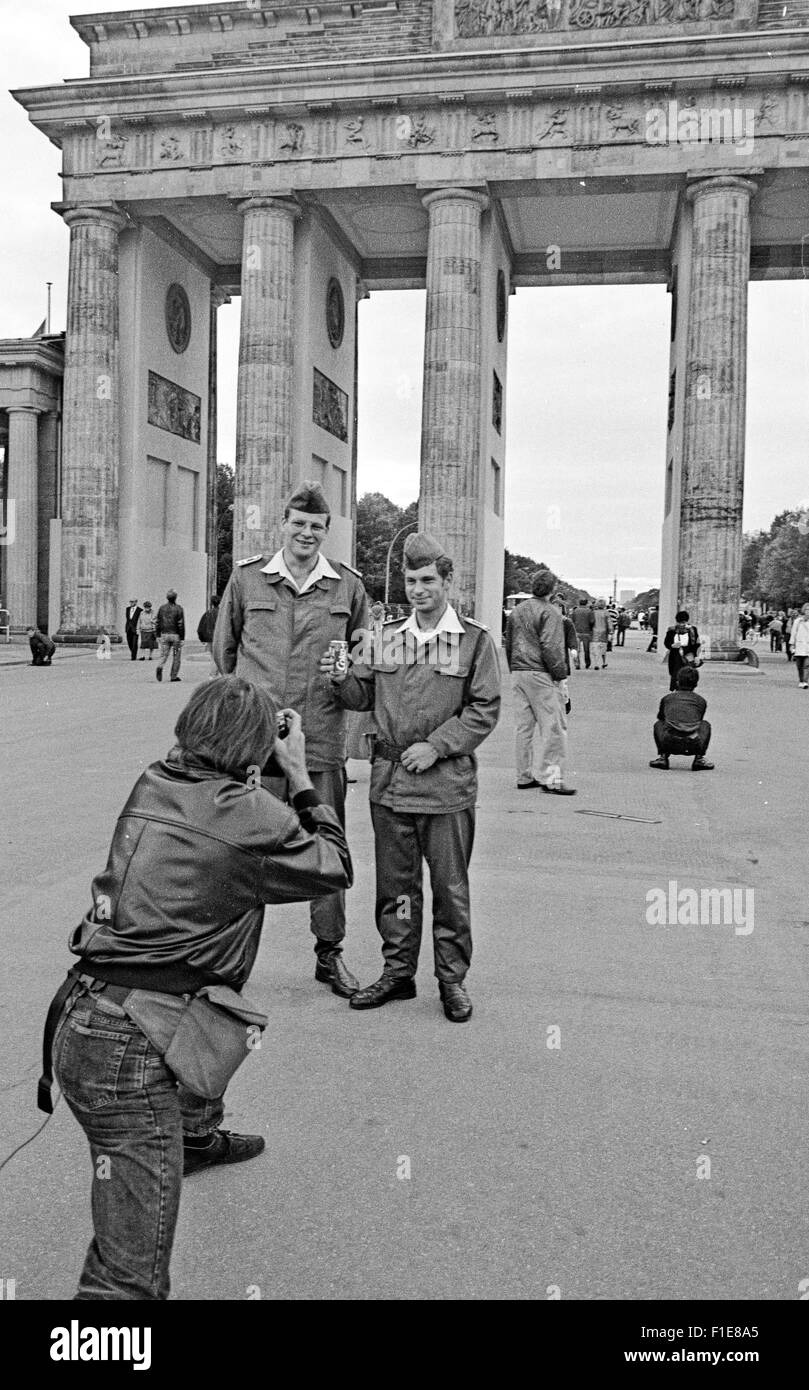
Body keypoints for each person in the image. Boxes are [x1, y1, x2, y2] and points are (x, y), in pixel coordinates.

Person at [39, 676, 352, 1300]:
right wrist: (299, 773)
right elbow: (333, 865)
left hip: (85, 1017)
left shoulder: (154, 779)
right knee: (127, 1276)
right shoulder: (249, 814)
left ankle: (194, 1136)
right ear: (254, 748)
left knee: (215, 1013)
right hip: (130, 1050)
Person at [323, 531, 501, 1022]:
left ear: (447, 581)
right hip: (390, 785)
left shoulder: (474, 641)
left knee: (449, 888)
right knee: (396, 889)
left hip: (444, 787)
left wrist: (438, 745)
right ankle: (398, 973)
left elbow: (485, 708)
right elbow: (362, 698)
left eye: (427, 580)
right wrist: (341, 679)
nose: (418, 589)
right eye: (410, 580)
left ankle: (451, 980)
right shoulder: (387, 637)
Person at [213, 480, 368, 999]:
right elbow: (225, 653)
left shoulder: (347, 588)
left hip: (319, 741)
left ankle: (330, 954)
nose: (307, 533)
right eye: (298, 523)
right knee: (242, 849)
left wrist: (344, 677)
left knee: (326, 848)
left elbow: (362, 664)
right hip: (255, 744)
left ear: (327, 532)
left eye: (317, 526)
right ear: (283, 524)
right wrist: (244, 715)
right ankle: (226, 958)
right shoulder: (248, 578)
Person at [504, 568, 575, 794]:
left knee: (523, 728)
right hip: (541, 673)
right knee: (553, 727)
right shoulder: (551, 613)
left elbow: (509, 643)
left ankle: (523, 776)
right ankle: (552, 779)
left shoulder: (516, 612)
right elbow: (551, 648)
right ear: (553, 590)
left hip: (518, 672)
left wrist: (513, 667)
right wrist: (560, 677)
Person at [649, 666, 713, 771]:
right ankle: (699, 758)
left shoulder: (667, 698)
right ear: (696, 684)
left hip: (668, 742)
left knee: (659, 724)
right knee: (705, 724)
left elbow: (661, 717)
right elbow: (698, 720)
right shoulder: (701, 700)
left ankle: (663, 757)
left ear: (677, 682)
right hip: (694, 743)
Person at [663, 609, 700, 691]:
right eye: (679, 622)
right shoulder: (671, 630)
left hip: (688, 656)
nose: (681, 624)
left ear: (687, 621)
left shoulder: (693, 630)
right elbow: (666, 643)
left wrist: (696, 656)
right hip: (675, 657)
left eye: (683, 622)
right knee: (675, 675)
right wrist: (672, 645)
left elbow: (696, 645)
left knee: (688, 674)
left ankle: (688, 691)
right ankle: (677, 691)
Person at [155, 588, 185, 682]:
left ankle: (160, 666)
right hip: (175, 636)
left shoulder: (162, 608)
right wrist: (182, 637)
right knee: (176, 656)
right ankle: (173, 676)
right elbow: (180, 624)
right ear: (175, 598)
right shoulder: (179, 608)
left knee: (163, 654)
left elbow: (158, 622)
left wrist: (158, 635)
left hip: (164, 635)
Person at [197, 594, 221, 676]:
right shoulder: (222, 613)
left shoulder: (207, 613)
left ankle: (213, 675)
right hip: (221, 638)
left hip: (210, 639)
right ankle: (218, 674)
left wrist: (202, 639)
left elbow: (200, 628)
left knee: (213, 658)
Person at [571, 595, 595, 669]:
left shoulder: (575, 611)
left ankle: (577, 664)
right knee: (586, 649)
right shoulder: (590, 611)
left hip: (577, 632)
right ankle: (587, 663)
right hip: (586, 632)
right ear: (586, 603)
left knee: (577, 649)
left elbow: (572, 621)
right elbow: (592, 621)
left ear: (579, 603)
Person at [790, 603, 809, 687]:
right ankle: (801, 680)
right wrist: (792, 644)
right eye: (807, 609)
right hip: (799, 645)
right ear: (804, 610)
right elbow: (793, 633)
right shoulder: (798, 621)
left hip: (808, 646)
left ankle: (805, 681)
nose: (808, 611)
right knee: (799, 665)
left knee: (807, 665)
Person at [592, 599, 610, 670]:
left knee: (595, 648)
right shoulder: (606, 613)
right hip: (604, 633)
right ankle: (604, 662)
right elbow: (609, 623)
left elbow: (591, 621)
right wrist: (611, 632)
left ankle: (596, 663)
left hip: (594, 632)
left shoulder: (593, 612)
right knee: (603, 648)